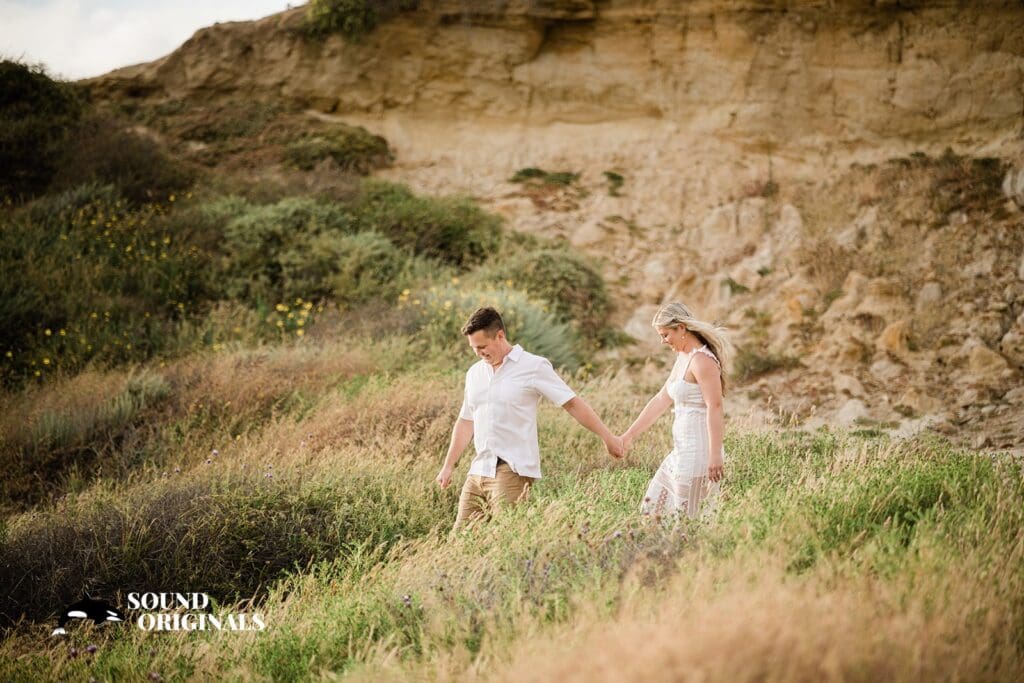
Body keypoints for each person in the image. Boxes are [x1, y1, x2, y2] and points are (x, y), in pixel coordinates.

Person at [436, 306, 624, 530]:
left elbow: (572, 403)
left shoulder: (533, 366)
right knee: (462, 540)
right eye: (474, 348)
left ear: (500, 336)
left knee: (505, 539)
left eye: (482, 347)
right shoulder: (475, 373)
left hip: (512, 470)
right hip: (478, 470)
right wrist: (448, 466)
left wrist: (607, 437)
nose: (478, 353)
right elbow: (466, 421)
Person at [620, 302, 731, 520]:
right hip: (681, 452)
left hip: (699, 453)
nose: (663, 341)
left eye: (665, 334)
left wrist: (715, 454)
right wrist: (628, 436)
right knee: (653, 510)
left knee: (688, 520)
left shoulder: (702, 361)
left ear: (681, 328)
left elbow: (715, 407)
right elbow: (662, 398)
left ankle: (689, 553)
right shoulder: (684, 357)